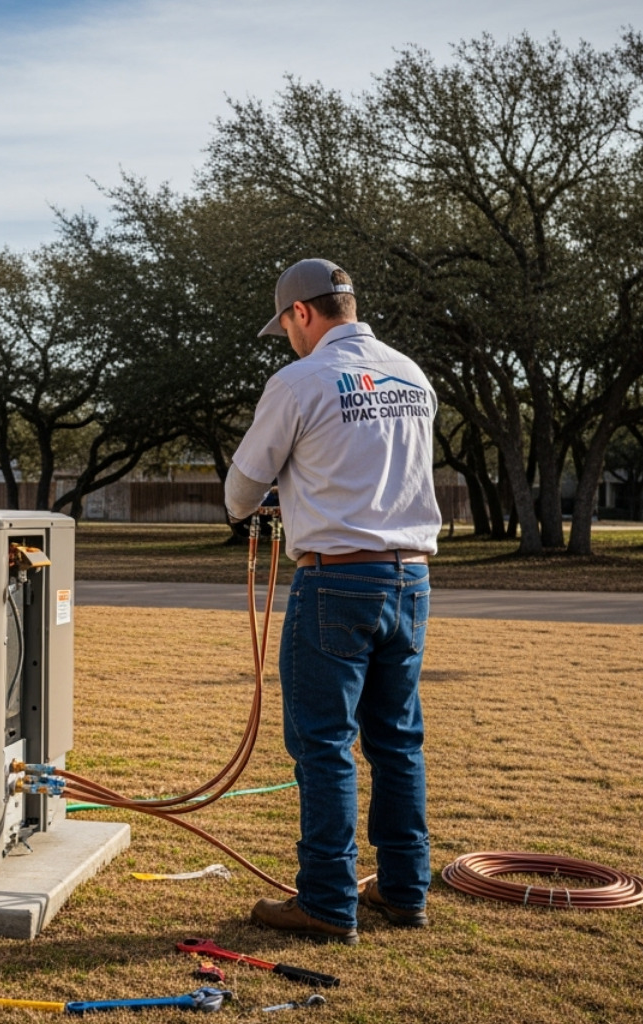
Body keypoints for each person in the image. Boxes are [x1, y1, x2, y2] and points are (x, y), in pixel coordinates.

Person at [224, 258, 441, 944]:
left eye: (287, 326)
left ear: (302, 313)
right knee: (397, 742)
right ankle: (404, 890)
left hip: (336, 580)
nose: (289, 339)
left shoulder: (300, 381)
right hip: (411, 580)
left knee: (323, 746)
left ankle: (325, 901)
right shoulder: (411, 374)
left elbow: (239, 494)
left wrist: (282, 485)